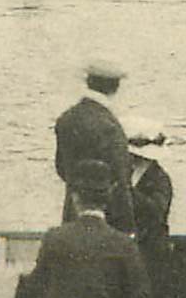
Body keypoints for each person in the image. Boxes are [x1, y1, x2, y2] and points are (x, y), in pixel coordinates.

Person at [13, 161, 153, 298]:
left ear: (75, 197)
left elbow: (35, 289)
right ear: (109, 197)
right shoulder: (124, 244)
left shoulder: (54, 238)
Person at [54, 60, 133, 233]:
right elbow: (121, 178)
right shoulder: (108, 125)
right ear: (116, 87)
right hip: (107, 221)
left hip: (72, 213)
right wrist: (128, 228)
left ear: (88, 82)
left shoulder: (66, 118)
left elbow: (61, 168)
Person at [124, 117, 173, 287]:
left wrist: (128, 191)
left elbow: (156, 211)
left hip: (151, 248)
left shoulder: (160, 179)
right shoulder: (122, 172)